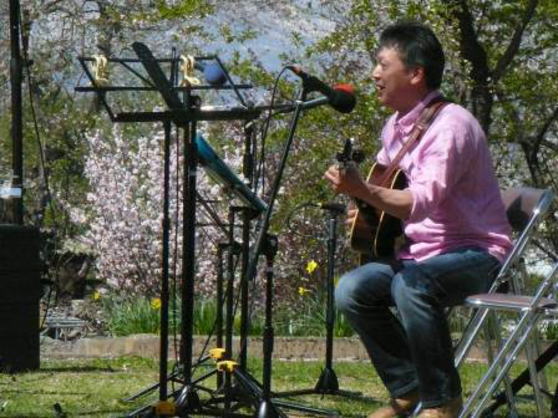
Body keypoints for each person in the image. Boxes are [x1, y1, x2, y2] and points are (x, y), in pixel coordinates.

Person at [324, 22, 512, 418]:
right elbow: (390, 192)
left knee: (412, 286)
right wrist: (367, 209)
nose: (374, 74)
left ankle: (443, 402)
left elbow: (420, 204)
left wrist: (362, 191)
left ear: (415, 73)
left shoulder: (451, 126)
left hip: (477, 254)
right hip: (422, 254)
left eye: (382, 64)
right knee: (352, 290)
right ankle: (409, 389)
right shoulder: (395, 126)